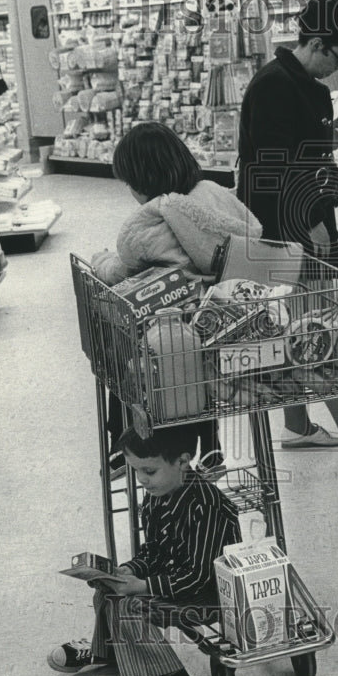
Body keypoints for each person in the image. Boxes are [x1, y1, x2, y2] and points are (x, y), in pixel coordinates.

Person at [236, 0, 338, 469]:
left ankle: (299, 426)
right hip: (292, 228)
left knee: (290, 326)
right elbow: (279, 171)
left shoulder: (298, 83)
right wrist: (313, 227)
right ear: (318, 43)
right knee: (321, 331)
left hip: (295, 224)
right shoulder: (275, 87)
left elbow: (313, 164)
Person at [91, 121, 263, 477]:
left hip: (169, 334)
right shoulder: (212, 193)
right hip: (225, 320)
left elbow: (119, 270)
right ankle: (211, 446)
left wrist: (99, 259)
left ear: (141, 179)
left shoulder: (151, 220)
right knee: (200, 361)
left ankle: (120, 443)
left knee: (122, 350)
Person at [47, 424, 241, 676]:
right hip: (177, 583)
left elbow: (198, 575)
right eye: (137, 471)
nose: (142, 480)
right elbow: (153, 550)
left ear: (183, 461)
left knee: (131, 607)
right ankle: (111, 651)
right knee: (109, 592)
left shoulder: (206, 506)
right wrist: (131, 570)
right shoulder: (158, 494)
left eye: (149, 471)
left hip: (210, 595)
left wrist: (144, 586)